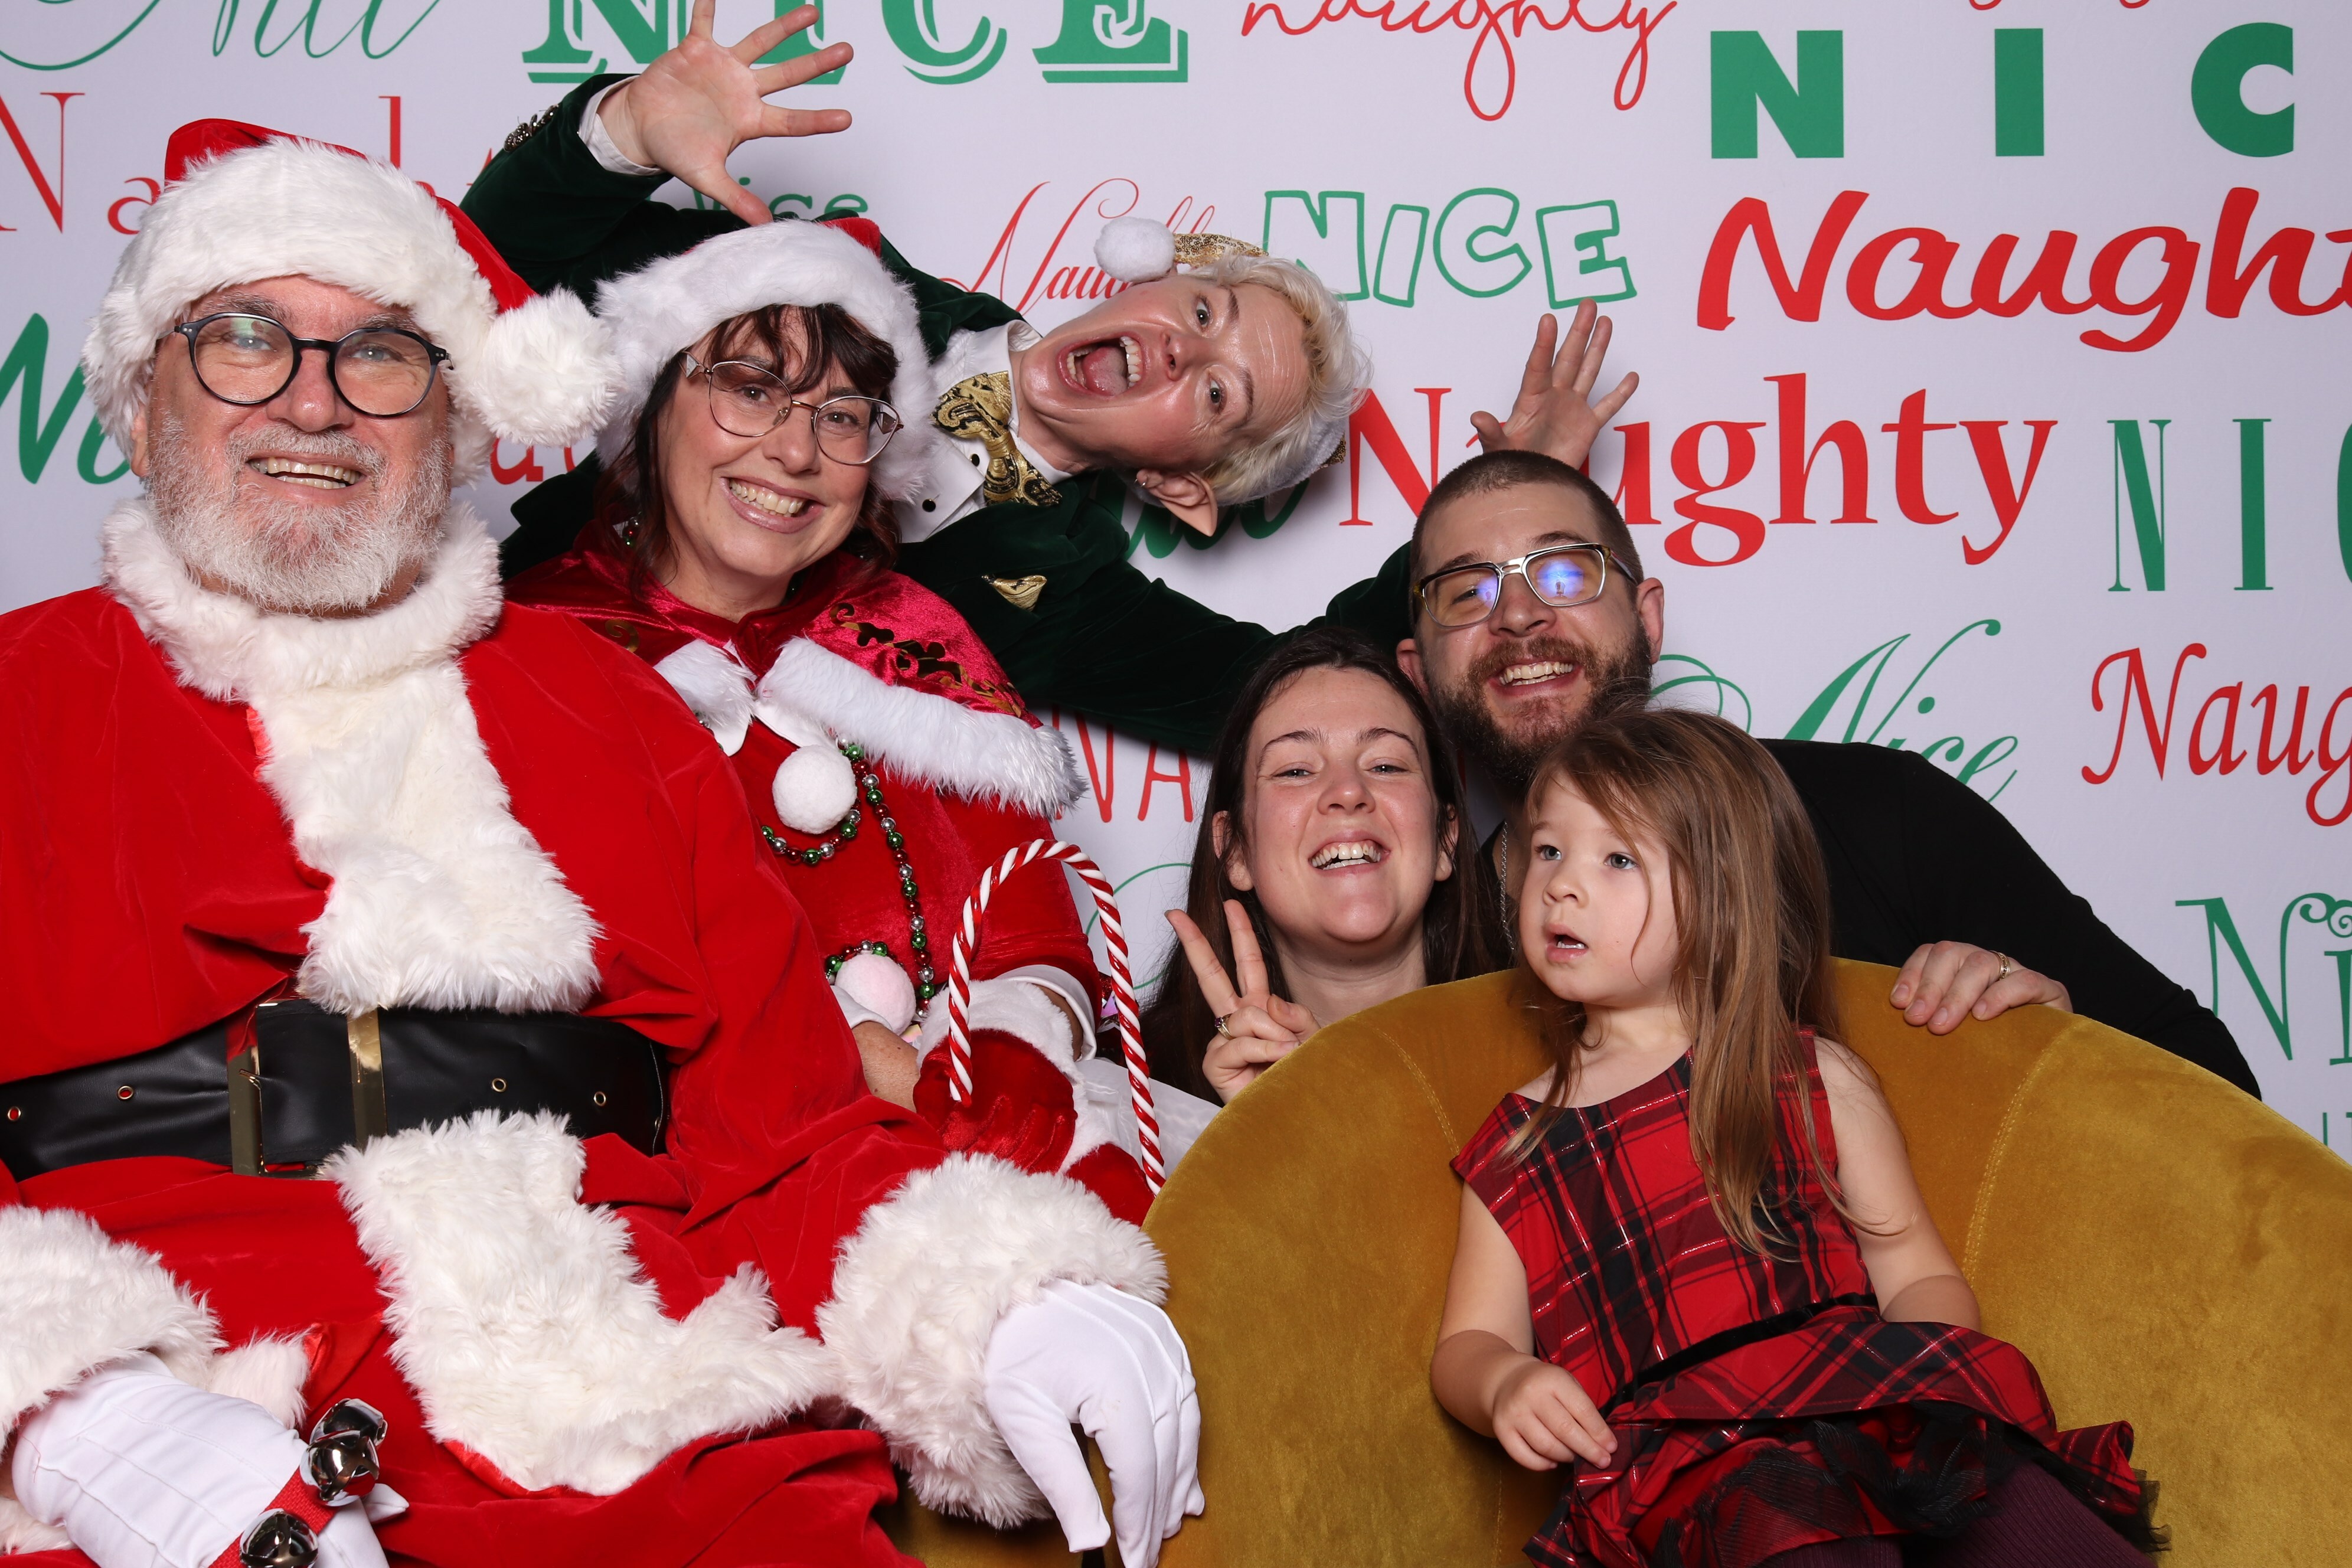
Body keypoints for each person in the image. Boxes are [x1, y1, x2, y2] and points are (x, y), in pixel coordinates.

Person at [0, 119, 1198, 1568]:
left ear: (457, 421)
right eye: (245, 339)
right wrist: (73, 1413)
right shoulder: (22, 693)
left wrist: (1005, 1294)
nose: (314, 401)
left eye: (381, 353)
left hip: (649, 1407)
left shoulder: (617, 711)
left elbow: (786, 1141)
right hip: (189, 1381)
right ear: (141, 406)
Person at [501, 206, 1167, 1211]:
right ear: (652, 402)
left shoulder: (915, 641)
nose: (794, 451)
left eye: (843, 414)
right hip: (664, 1194)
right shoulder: (534, 654)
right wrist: (870, 1067)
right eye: (751, 389)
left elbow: (1033, 938)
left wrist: (1011, 1045)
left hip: (955, 1174)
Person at [1432, 707, 2158, 1567]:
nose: (1561, 886)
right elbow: (1468, 1344)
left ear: (1722, 895)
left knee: (2029, 1519)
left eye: (1617, 859)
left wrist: (1927, 1395)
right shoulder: (1521, 1145)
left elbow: (1914, 1269)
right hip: (1694, 1468)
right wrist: (1505, 1382)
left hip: (1865, 1404)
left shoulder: (1812, 1075)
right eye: (1549, 851)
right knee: (1790, 1533)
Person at [1389, 450, 2255, 1092]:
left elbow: (2218, 1088)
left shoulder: (1883, 814)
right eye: (1467, 592)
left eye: (1564, 571)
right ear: (1420, 676)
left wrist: (2057, 1053)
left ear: (1648, 620)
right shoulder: (1436, 951)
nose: (1521, 614)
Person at [1141, 627, 1504, 1104]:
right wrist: (1261, 1127)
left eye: (1386, 766)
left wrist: (1328, 1115)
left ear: (1445, 838)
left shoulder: (1565, 1056)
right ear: (1235, 850)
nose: (1348, 791)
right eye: (1295, 771)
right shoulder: (1134, 1095)